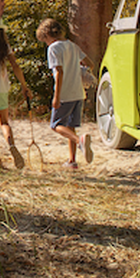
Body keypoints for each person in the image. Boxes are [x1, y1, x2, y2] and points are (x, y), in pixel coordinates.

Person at [35, 18, 93, 169]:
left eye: (44, 40)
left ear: (47, 35)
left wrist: (56, 96)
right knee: (70, 125)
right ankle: (72, 161)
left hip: (65, 93)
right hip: (78, 92)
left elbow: (59, 72)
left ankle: (79, 141)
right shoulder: (72, 46)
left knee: (56, 125)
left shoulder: (53, 48)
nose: (45, 43)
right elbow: (90, 64)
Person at [0, 27, 32, 170]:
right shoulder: (4, 47)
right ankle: (11, 145)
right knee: (4, 122)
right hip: (0, 89)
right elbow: (15, 65)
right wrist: (23, 85)